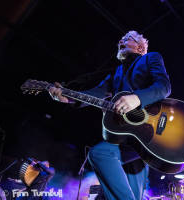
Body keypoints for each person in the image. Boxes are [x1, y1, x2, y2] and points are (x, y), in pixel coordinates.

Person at [49, 30, 171, 200]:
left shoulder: (151, 58)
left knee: (99, 153)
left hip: (149, 134)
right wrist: (67, 97)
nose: (121, 40)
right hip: (126, 137)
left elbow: (164, 87)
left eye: (127, 39)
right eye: (120, 39)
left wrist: (137, 98)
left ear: (141, 46)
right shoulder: (115, 73)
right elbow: (96, 93)